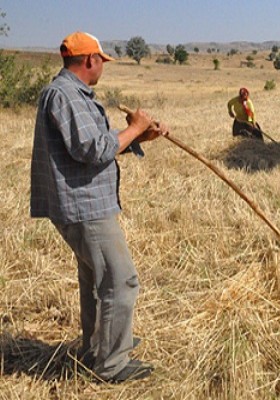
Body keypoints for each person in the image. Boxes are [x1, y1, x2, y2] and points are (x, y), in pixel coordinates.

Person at [30, 31, 168, 383]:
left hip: (83, 204)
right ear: (90, 60)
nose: (102, 68)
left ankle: (99, 346)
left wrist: (138, 135)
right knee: (121, 281)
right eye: (101, 62)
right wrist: (134, 127)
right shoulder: (64, 95)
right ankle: (112, 364)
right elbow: (92, 150)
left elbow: (101, 145)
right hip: (84, 206)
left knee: (94, 281)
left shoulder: (71, 94)